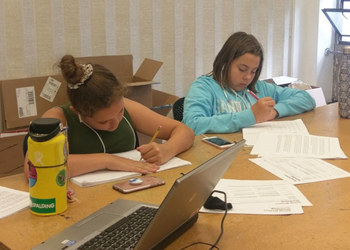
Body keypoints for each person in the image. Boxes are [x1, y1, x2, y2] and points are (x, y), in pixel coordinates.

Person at [24, 55, 195, 178]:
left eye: (120, 112)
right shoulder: (57, 119)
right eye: (104, 121)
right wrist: (107, 160)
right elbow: (35, 168)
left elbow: (184, 131)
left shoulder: (126, 106)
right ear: (78, 111)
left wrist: (167, 149)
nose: (115, 123)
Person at [182, 31, 316, 135]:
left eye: (253, 71)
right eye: (242, 69)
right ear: (225, 62)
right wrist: (251, 116)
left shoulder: (258, 88)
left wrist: (274, 112)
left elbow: (307, 99)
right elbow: (192, 125)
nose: (247, 77)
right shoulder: (203, 87)